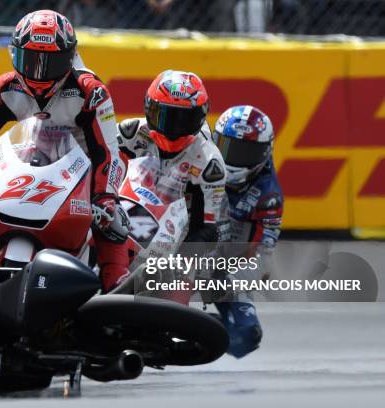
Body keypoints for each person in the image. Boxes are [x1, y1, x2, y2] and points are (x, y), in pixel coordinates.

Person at [0, 9, 128, 292]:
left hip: (81, 175)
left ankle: (114, 304)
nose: (39, 72)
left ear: (69, 58)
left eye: (50, 62)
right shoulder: (2, 88)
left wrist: (105, 198)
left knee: (114, 226)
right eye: (31, 60)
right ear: (14, 55)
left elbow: (108, 153)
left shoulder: (91, 92)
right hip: (32, 165)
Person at [117, 70, 227, 244]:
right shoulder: (131, 133)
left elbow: (210, 226)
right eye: (163, 116)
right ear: (148, 108)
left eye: (184, 120)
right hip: (122, 219)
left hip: (174, 241)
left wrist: (182, 262)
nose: (173, 129)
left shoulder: (209, 162)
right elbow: (99, 166)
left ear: (200, 118)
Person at [211, 105, 283, 358]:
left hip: (225, 264)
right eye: (227, 147)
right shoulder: (197, 157)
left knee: (249, 335)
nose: (232, 159)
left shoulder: (268, 195)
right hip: (178, 249)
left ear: (264, 153)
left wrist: (238, 274)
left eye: (244, 152)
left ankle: (189, 343)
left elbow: (264, 257)